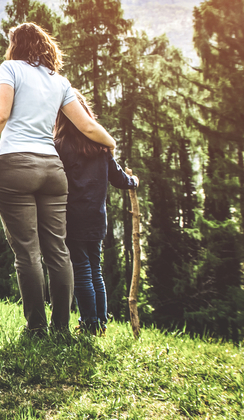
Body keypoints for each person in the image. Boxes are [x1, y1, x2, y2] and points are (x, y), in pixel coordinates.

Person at [0, 22, 117, 337]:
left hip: (15, 165)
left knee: (27, 251)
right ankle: (62, 328)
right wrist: (111, 143)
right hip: (53, 172)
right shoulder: (61, 82)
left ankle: (37, 327)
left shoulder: (10, 69)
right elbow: (88, 127)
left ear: (16, 45)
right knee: (58, 250)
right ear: (45, 47)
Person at [54, 88, 138, 335]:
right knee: (95, 270)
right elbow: (120, 179)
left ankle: (90, 323)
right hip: (97, 218)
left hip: (74, 218)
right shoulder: (101, 147)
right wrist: (134, 182)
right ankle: (100, 322)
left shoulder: (59, 146)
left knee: (81, 271)